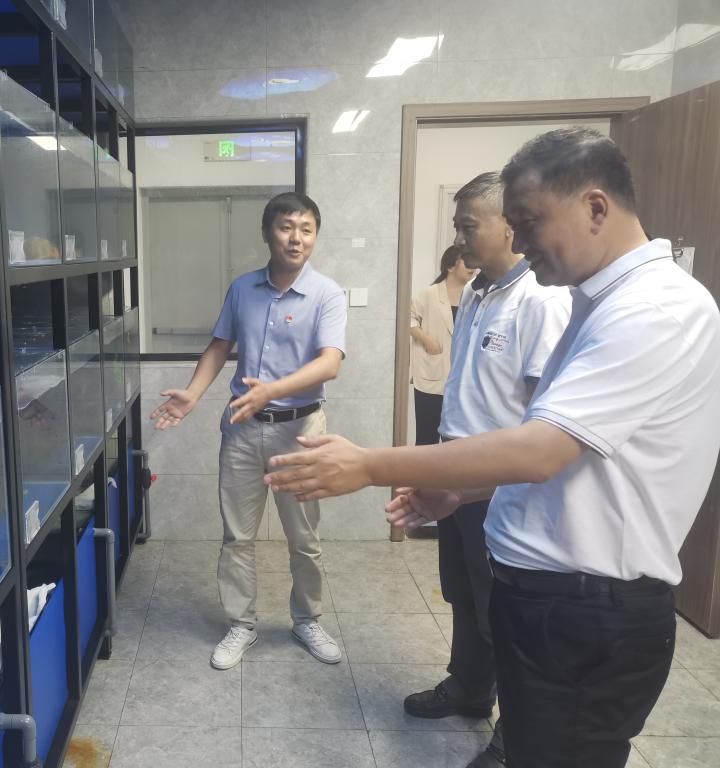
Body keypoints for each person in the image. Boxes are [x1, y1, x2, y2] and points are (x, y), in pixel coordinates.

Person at [263, 128, 720, 768]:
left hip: (589, 607)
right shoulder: (592, 301)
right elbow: (577, 456)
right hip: (550, 594)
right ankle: (479, 696)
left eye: (528, 223)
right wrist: (463, 488)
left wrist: (368, 464)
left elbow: (542, 449)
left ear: (595, 207)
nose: (521, 242)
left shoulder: (653, 309)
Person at [408, 173, 570, 768]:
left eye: (467, 226)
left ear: (509, 226)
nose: (459, 238)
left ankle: (514, 734)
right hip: (459, 475)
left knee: (501, 608)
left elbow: (544, 415)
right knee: (462, 592)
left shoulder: (541, 300)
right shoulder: (478, 292)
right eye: (458, 226)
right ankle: (471, 689)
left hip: (501, 486)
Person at [149, 191, 347, 670]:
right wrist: (193, 394)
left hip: (301, 431)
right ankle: (241, 624)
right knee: (237, 537)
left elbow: (330, 363)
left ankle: (306, 619)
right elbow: (220, 347)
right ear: (267, 232)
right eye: (286, 227)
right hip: (242, 429)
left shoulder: (327, 294)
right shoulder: (242, 289)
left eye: (306, 229)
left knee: (304, 539)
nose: (296, 238)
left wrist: (271, 390)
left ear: (315, 236)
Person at [409, 244, 473, 447]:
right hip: (431, 378)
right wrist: (427, 340)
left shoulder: (475, 294)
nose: (473, 266)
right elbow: (407, 317)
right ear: (451, 266)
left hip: (463, 380)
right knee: (426, 438)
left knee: (455, 440)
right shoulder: (430, 294)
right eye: (467, 261)